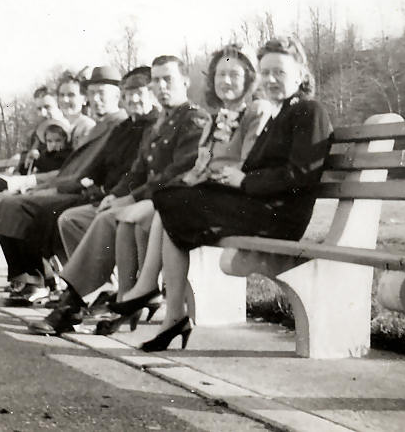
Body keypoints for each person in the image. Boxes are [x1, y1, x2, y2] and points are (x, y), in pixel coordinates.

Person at [112, 36, 333, 352]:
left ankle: (154, 294)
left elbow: (301, 176)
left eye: (279, 73)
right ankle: (171, 312)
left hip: (280, 216)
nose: (270, 79)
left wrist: (243, 181)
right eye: (266, 72)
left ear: (299, 75)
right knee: (170, 200)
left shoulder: (309, 112)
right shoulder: (282, 113)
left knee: (173, 203)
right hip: (260, 206)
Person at [28, 55, 209, 335]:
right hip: (145, 200)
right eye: (156, 80)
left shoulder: (193, 118)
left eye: (167, 79)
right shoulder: (160, 123)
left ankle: (73, 303)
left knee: (106, 220)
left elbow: (176, 172)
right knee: (74, 219)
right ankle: (103, 293)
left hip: (169, 202)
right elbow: (137, 171)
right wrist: (115, 195)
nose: (161, 86)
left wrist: (131, 198)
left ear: (185, 81)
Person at [0, 66, 161, 303]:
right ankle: (58, 285)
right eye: (92, 93)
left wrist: (108, 192)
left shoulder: (121, 124)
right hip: (94, 192)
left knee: (23, 208)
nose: (96, 99)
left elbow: (131, 171)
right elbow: (93, 168)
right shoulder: (120, 127)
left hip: (111, 196)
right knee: (10, 203)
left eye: (102, 93)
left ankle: (57, 285)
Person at [0, 66, 128, 291]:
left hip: (73, 191)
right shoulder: (59, 125)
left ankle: (29, 278)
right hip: (56, 184)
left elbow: (76, 171)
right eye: (62, 95)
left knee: (7, 203)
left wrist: (29, 183)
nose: (94, 99)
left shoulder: (91, 125)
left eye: (73, 95)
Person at [56, 71, 96, 144]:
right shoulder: (55, 124)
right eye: (61, 95)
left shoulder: (88, 126)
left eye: (71, 95)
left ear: (85, 99)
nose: (65, 100)